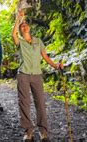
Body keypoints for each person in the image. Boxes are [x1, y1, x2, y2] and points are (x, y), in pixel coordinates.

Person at [12, 10, 63, 142]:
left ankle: (43, 131)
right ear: (20, 29)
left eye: (26, 24)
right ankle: (28, 131)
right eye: (22, 25)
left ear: (29, 27)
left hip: (36, 75)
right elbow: (13, 34)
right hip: (23, 74)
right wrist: (18, 18)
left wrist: (55, 66)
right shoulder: (20, 42)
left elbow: (45, 56)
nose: (25, 26)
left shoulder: (38, 41)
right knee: (24, 103)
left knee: (40, 102)